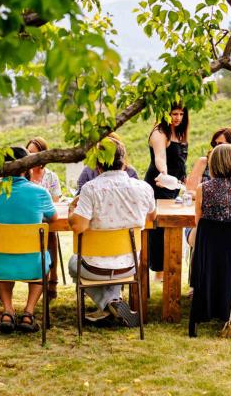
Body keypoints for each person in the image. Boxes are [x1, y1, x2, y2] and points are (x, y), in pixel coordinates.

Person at [67, 139, 155, 326]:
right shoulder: (144, 188)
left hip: (94, 267)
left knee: (74, 263)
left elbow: (78, 226)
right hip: (129, 264)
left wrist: (71, 211)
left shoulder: (90, 189)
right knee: (115, 258)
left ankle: (108, 303)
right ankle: (113, 302)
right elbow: (151, 216)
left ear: (98, 165)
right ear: (124, 162)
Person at [0, 146, 57, 334]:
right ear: (26, 167)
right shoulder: (39, 193)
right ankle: (29, 313)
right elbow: (53, 217)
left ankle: (8, 311)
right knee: (42, 260)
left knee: (3, 256)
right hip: (32, 265)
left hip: (0, 266)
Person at [144, 105, 189, 272]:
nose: (177, 117)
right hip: (158, 185)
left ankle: (167, 267)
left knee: (171, 227)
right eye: (174, 114)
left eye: (181, 114)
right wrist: (164, 174)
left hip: (174, 186)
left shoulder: (179, 132)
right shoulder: (159, 132)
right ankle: (157, 268)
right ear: (165, 114)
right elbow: (160, 157)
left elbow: (179, 161)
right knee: (158, 228)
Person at [26, 137, 61, 298]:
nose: (30, 156)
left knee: (51, 233)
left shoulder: (51, 177)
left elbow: (55, 202)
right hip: (26, 222)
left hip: (45, 221)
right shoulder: (22, 175)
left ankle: (53, 277)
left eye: (34, 153)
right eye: (28, 152)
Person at [185, 127, 231, 196]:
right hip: (204, 205)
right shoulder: (204, 162)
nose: (216, 148)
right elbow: (190, 191)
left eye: (220, 144)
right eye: (214, 144)